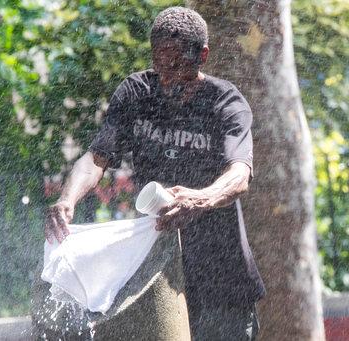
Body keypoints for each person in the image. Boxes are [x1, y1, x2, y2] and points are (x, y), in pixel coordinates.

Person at [44, 6, 265, 340]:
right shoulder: (137, 94)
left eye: (177, 63)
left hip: (223, 279)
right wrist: (67, 198)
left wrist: (201, 199)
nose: (167, 75)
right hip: (157, 276)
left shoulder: (225, 103)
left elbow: (240, 175)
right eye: (159, 62)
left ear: (202, 55)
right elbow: (96, 159)